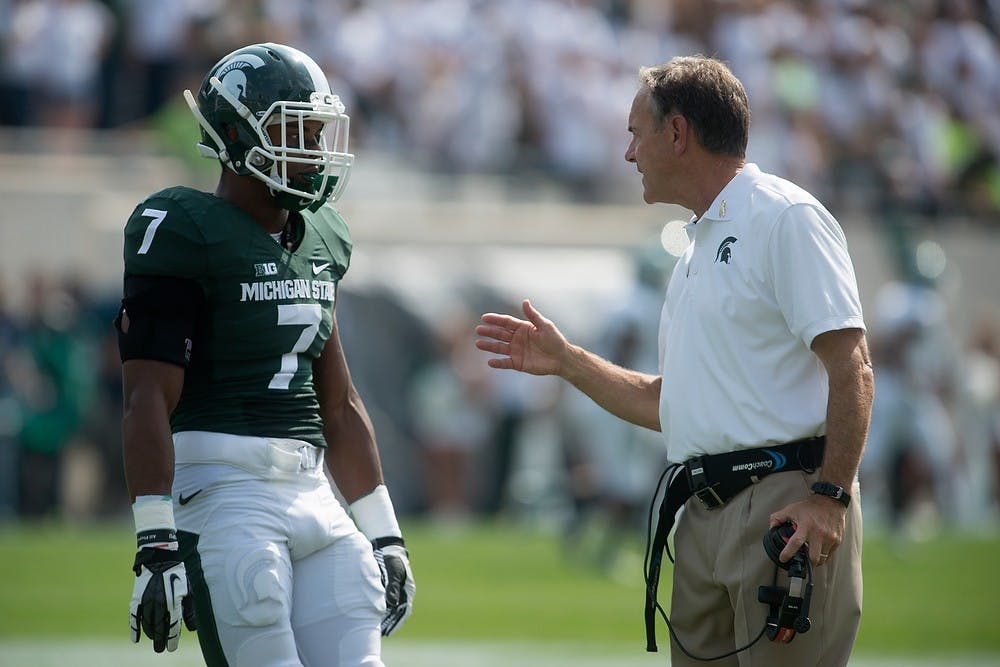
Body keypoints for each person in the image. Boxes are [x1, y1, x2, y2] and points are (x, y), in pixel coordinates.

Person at [476, 55, 873, 667]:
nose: (629, 153)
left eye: (635, 133)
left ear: (678, 133)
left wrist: (828, 498)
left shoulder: (785, 217)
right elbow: (674, 404)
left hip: (785, 503)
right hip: (703, 512)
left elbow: (853, 369)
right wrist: (567, 361)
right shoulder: (696, 245)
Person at [115, 42, 414, 666]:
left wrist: (385, 533)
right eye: (291, 130)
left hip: (313, 493)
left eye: (315, 129)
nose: (310, 148)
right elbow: (146, 394)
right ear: (234, 134)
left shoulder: (321, 235)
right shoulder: (184, 227)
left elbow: (339, 402)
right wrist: (155, 537)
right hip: (225, 494)